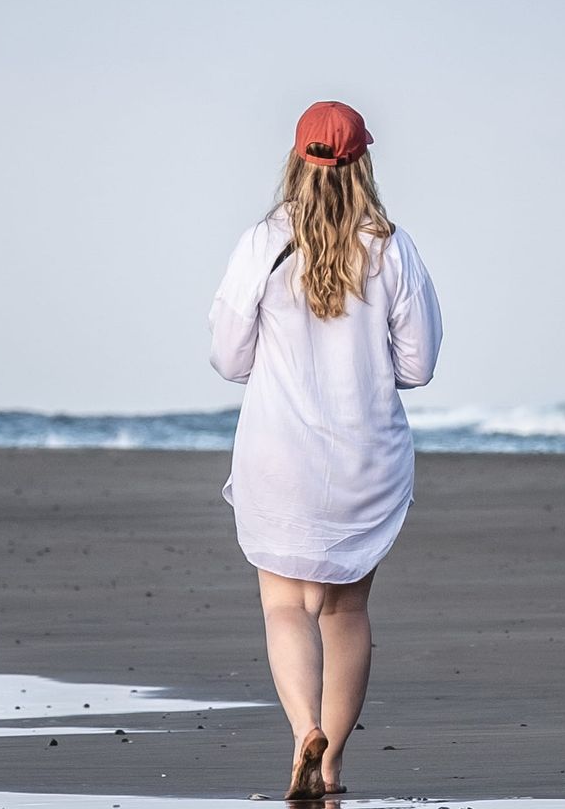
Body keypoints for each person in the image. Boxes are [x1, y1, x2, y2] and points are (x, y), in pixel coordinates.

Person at [209, 100, 443, 801]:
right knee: (344, 612)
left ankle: (303, 728)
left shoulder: (262, 243)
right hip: (365, 453)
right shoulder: (393, 247)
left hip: (278, 450)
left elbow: (226, 356)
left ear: (296, 159)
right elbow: (420, 365)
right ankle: (333, 765)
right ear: (363, 161)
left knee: (285, 607)